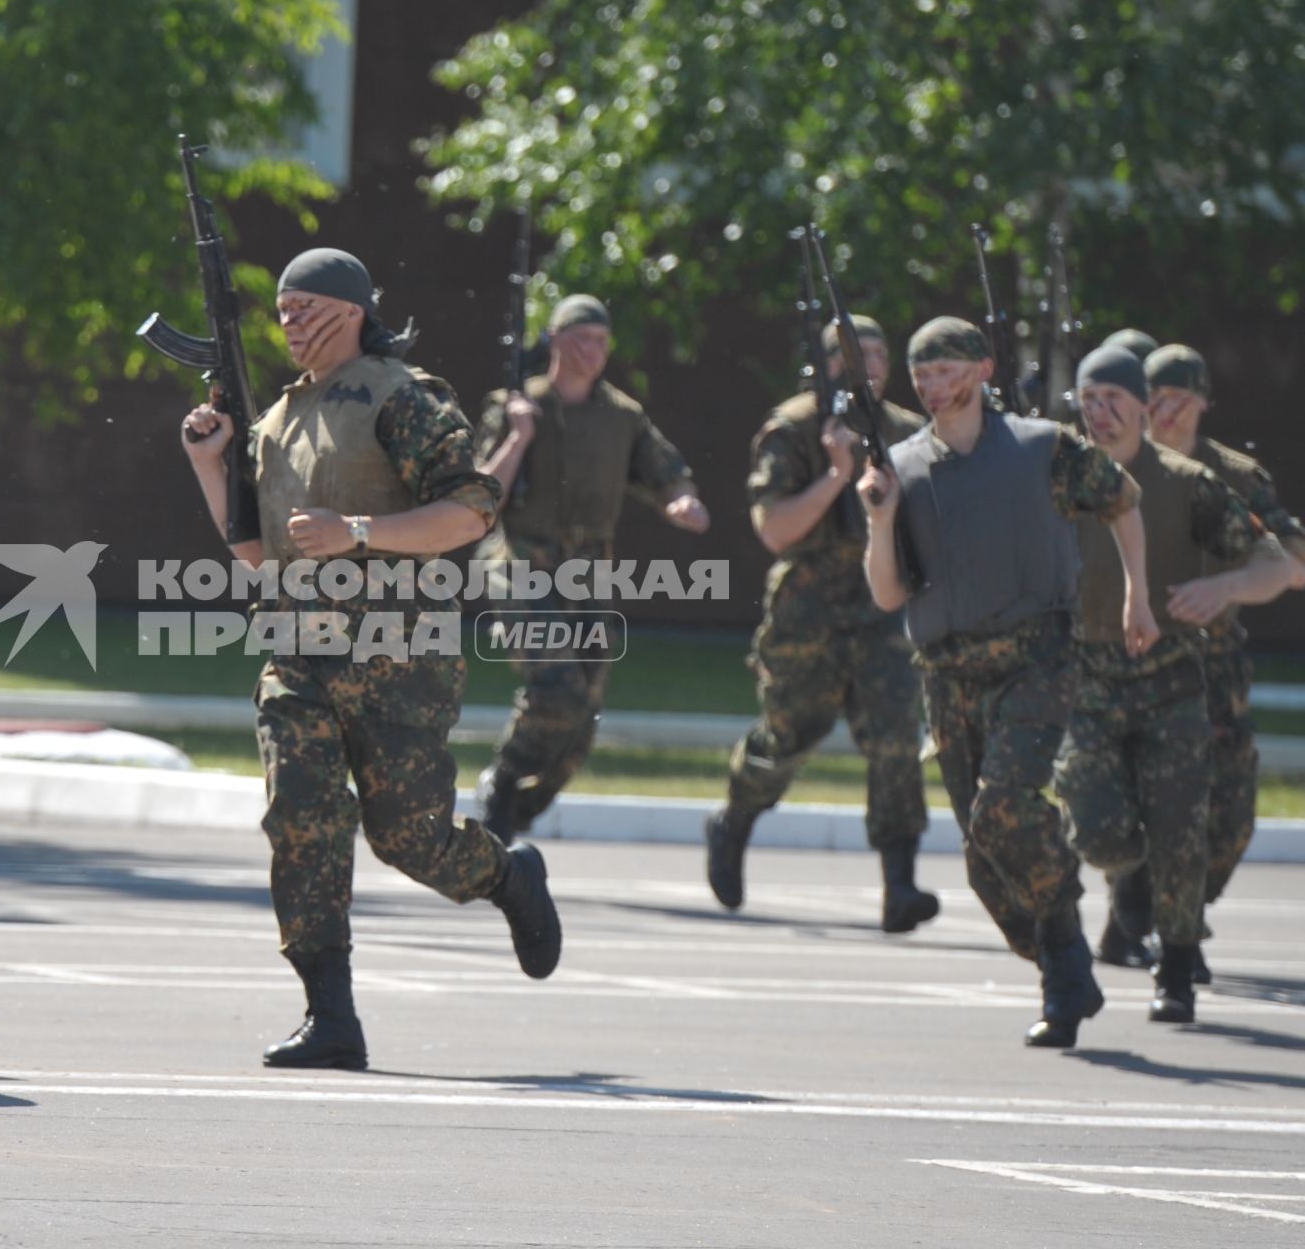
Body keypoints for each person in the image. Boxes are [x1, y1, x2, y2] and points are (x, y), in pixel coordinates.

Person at [179, 247, 561, 1071]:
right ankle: (331, 1017)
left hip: (397, 655)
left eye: (305, 306)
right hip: (297, 651)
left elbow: (470, 511)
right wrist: (212, 467)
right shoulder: (277, 419)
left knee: (408, 838)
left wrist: (359, 531)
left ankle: (505, 875)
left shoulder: (402, 396)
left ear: (351, 310)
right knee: (303, 823)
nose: (289, 321)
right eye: (281, 309)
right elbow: (256, 552)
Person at [859, 317, 1154, 1049]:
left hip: (1036, 659)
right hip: (948, 674)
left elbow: (1122, 497)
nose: (931, 384)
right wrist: (880, 516)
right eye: (920, 373)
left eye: (946, 368)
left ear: (984, 367)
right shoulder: (900, 464)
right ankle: (1060, 950)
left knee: (1004, 808)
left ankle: (1063, 967)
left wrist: (1136, 595)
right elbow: (889, 596)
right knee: (982, 855)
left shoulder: (1040, 446)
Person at [1053, 344, 1292, 1025]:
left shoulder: (1187, 481)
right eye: (1088, 401)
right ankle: (1129, 883)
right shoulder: (1059, 477)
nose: (1100, 415)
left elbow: (1273, 561)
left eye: (1115, 401)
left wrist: (1225, 585)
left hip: (1173, 685)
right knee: (1096, 828)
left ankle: (1178, 970)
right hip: (1091, 682)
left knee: (1183, 831)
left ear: (1140, 406)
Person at [704, 315, 938, 932]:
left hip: (881, 606)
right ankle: (733, 821)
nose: (867, 369)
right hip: (808, 610)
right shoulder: (794, 428)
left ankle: (901, 883)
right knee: (787, 737)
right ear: (825, 364)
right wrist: (836, 473)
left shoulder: (910, 435)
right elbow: (775, 529)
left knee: (894, 739)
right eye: (852, 357)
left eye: (878, 357)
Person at [471, 293, 710, 842]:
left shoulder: (621, 416)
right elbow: (482, 495)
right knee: (558, 690)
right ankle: (503, 780)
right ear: (554, 341)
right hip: (523, 563)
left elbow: (665, 468)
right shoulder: (516, 405)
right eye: (581, 338)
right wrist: (518, 435)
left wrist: (680, 499)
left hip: (590, 571)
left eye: (602, 341)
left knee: (584, 720)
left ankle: (522, 806)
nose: (593, 351)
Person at [1140, 344, 1305, 983]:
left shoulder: (1235, 475)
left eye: (1180, 399)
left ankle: (1179, 913)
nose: (1167, 412)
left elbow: (1290, 556)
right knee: (1139, 803)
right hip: (1137, 663)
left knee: (1231, 815)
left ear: (1204, 402)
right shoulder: (1118, 464)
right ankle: (1163, 927)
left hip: (1215, 667)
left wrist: (1244, 577)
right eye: (1155, 398)